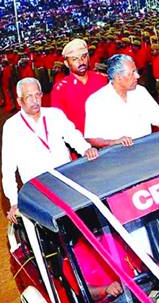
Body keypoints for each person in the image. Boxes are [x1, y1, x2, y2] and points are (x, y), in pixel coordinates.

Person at [3, 78, 98, 220]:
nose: (35, 100)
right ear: (19, 101)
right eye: (29, 96)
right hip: (39, 190)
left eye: (37, 95)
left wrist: (86, 149)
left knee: (82, 220)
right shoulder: (12, 126)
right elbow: (8, 168)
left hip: (66, 180)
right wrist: (14, 201)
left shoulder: (55, 114)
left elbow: (72, 135)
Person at [84, 54, 159, 147]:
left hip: (145, 149)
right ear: (118, 77)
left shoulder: (141, 92)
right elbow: (92, 138)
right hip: (117, 153)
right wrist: (113, 142)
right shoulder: (97, 101)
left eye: (136, 71)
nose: (137, 76)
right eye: (132, 72)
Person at [50, 38, 108, 133]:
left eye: (84, 57)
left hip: (105, 134)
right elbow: (59, 122)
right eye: (75, 59)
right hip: (78, 139)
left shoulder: (102, 79)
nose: (81, 62)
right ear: (66, 63)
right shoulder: (61, 89)